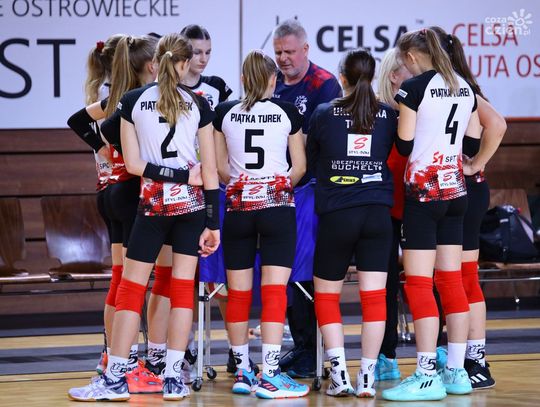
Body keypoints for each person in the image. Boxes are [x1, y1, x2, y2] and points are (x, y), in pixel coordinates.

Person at [68, 33, 220, 402]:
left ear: (158, 61)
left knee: (131, 288)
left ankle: (115, 377)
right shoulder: (199, 102)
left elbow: (134, 165)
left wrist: (170, 174)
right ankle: (172, 378)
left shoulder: (132, 100)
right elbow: (210, 171)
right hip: (191, 209)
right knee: (181, 290)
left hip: (152, 208)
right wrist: (213, 223)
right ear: (184, 64)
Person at [381, 28, 483, 402]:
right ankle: (456, 370)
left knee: (420, 284)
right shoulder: (464, 85)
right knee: (452, 281)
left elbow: (404, 144)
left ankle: (425, 374)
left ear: (411, 57)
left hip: (424, 195)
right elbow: (472, 140)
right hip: (457, 191)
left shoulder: (414, 88)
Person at [68, 34, 169, 394]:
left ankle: (111, 356)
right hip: (129, 191)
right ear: (152, 66)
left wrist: (101, 148)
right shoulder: (139, 100)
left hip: (108, 191)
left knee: (119, 279)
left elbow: (76, 120)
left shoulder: (114, 99)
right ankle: (127, 362)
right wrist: (110, 150)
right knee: (136, 282)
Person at [213, 50, 309, 399]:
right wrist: (274, 185)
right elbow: (300, 167)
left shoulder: (224, 112)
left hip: (238, 208)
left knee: (238, 293)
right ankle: (270, 373)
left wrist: (245, 185)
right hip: (277, 208)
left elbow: (221, 168)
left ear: (243, 79)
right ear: (272, 79)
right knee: (273, 291)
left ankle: (243, 370)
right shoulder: (288, 111)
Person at [431, 26, 506, 389]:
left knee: (464, 277)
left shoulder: (465, 91)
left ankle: (476, 360)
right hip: (449, 191)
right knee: (449, 277)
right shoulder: (445, 89)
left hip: (466, 190)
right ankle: (460, 355)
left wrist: (476, 164)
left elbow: (498, 125)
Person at [272, 18, 342, 378]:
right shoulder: (271, 83)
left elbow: (325, 138)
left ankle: (312, 350)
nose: (283, 58)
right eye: (278, 52)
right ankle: (301, 346)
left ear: (305, 49)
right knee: (285, 271)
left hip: (310, 189)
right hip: (279, 189)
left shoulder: (324, 84)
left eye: (289, 52)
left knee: (303, 272)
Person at [373, 47, 412, 381]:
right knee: (384, 282)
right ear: (395, 76)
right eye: (411, 70)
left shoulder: (422, 106)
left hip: (415, 203)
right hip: (384, 205)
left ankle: (437, 353)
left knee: (425, 280)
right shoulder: (379, 111)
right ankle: (386, 356)